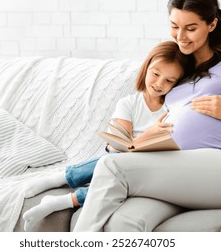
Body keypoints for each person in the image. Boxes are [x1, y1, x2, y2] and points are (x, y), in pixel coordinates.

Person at [73, 0, 221, 232]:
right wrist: (148, 137)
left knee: (111, 166)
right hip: (179, 170)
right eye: (174, 27)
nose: (180, 36)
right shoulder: (180, 70)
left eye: (190, 28)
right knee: (124, 222)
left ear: (212, 24)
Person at [22, 41, 193, 231]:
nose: (160, 83)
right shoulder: (129, 103)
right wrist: (148, 135)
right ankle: (61, 177)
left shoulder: (173, 107)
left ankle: (62, 201)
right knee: (112, 162)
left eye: (169, 81)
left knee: (120, 184)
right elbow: (118, 145)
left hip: (147, 168)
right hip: (120, 158)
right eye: (156, 74)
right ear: (146, 69)